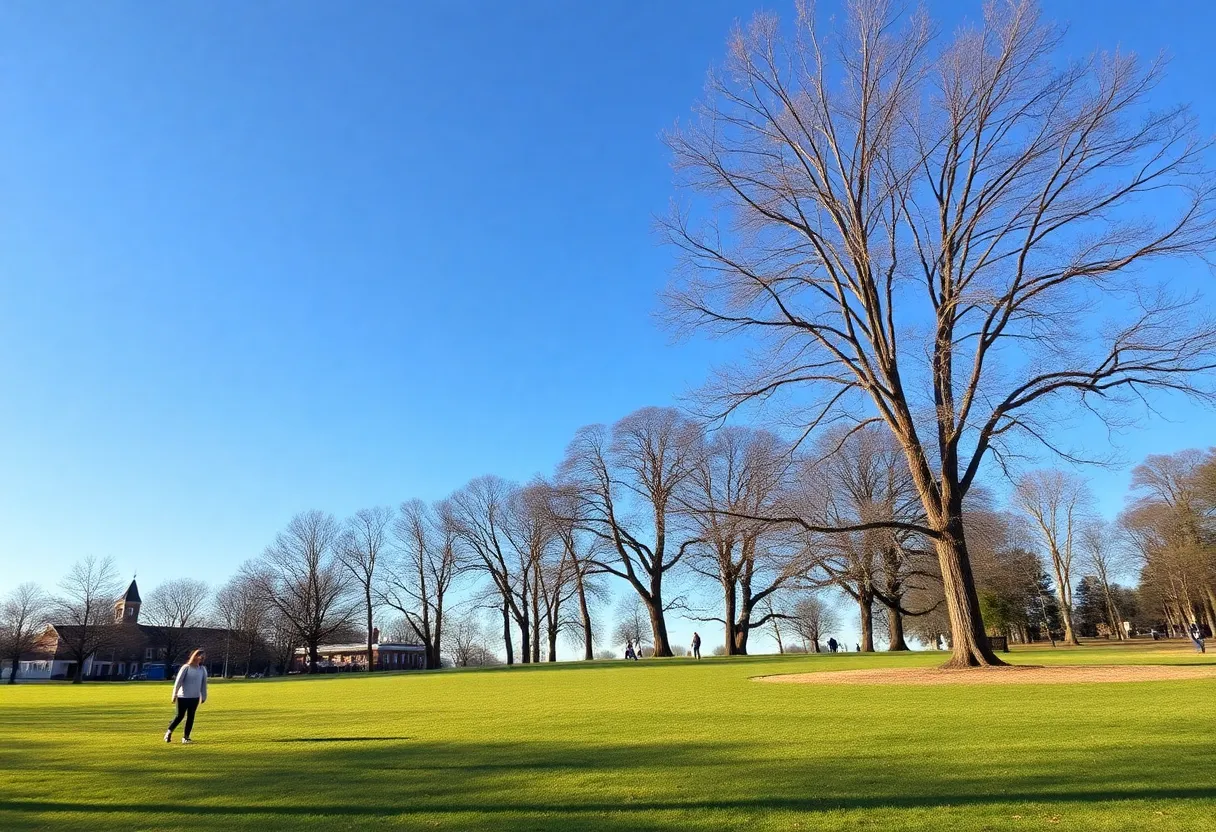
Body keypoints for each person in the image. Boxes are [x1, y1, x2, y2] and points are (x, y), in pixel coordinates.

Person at [165, 648, 208, 744]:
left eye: (203, 657)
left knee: (191, 717)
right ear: (195, 656)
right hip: (183, 697)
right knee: (179, 716)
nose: (202, 658)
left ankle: (186, 737)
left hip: (195, 697)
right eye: (200, 656)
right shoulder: (186, 667)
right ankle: (169, 732)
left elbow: (203, 684)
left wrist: (204, 696)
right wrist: (174, 695)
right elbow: (178, 682)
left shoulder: (202, 670)